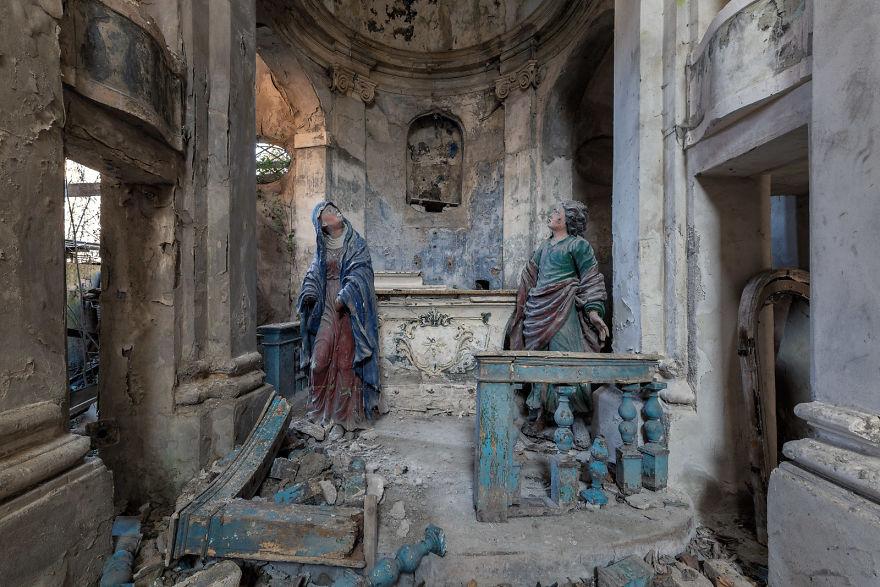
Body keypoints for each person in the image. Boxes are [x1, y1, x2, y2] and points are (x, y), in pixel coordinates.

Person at [504, 200, 609, 424]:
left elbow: (590, 278)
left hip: (564, 308)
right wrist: (524, 304)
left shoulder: (578, 245)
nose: (552, 214)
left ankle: (574, 419)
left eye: (556, 212)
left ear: (567, 220)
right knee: (540, 362)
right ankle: (542, 413)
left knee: (566, 359)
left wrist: (593, 312)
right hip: (537, 311)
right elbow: (530, 275)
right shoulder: (545, 246)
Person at [297, 202, 381, 430]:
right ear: (322, 224)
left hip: (349, 309)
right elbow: (314, 274)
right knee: (318, 362)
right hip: (326, 307)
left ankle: (343, 420)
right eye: (329, 212)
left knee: (346, 364)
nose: (336, 212)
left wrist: (347, 294)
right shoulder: (322, 247)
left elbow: (362, 272)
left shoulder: (356, 243)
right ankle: (318, 414)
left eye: (335, 209)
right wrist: (309, 293)